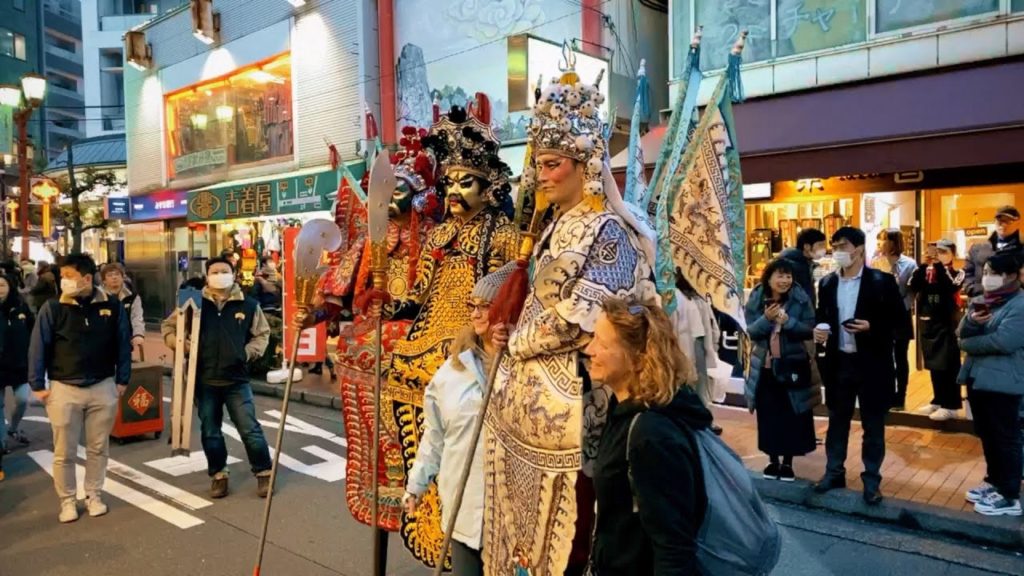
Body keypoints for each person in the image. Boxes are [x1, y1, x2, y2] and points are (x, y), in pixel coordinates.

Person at [484, 64, 657, 575]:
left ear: (586, 164)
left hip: (576, 415)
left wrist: (516, 342)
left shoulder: (611, 231)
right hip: (522, 407)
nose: (540, 174)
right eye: (538, 163)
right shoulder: (550, 229)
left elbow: (578, 322)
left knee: (574, 540)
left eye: (553, 163)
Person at [403, 263, 514, 576]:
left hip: (509, 515)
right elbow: (434, 436)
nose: (476, 314)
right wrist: (416, 484)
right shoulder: (452, 371)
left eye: (485, 306)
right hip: (462, 508)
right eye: (472, 306)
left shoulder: (524, 367)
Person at [585, 297, 708, 575]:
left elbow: (673, 547)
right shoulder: (623, 410)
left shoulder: (650, 434)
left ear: (639, 359)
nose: (589, 349)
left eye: (602, 344)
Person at [28, 253, 132, 523]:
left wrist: (122, 380)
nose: (64, 281)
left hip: (103, 386)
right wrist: (38, 384)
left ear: (87, 278)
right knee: (65, 451)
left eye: (69, 277)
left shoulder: (111, 305)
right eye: (63, 277)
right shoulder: (53, 308)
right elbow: (39, 346)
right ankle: (67, 501)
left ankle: (94, 495)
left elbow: (123, 343)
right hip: (64, 388)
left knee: (99, 448)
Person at [161, 257, 273, 499]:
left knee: (249, 429)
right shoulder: (192, 302)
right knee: (211, 431)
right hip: (203, 379)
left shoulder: (249, 304)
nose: (219, 274)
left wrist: (246, 353)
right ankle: (218, 475)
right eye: (214, 271)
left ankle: (264, 473)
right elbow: (168, 328)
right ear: (207, 275)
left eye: (224, 271)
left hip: (236, 380)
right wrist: (181, 344)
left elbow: (262, 334)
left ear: (233, 274)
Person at [812, 227, 904, 505]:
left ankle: (872, 480)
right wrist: (819, 330)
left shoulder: (882, 281)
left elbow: (900, 324)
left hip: (873, 364)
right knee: (837, 421)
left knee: (873, 425)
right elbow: (821, 316)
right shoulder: (827, 283)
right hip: (840, 362)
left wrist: (872, 327)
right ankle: (833, 471)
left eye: (844, 245)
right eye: (835, 246)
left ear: (860, 249)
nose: (839, 251)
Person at [958, 253, 1024, 517]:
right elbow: (961, 332)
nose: (986, 277)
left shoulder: (1019, 305)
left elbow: (1004, 342)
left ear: (1009, 276)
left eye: (991, 272)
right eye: (985, 271)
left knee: (1006, 436)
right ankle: (994, 481)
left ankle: (1009, 495)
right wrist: (972, 323)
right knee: (988, 434)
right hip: (978, 378)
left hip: (1004, 382)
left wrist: (968, 344)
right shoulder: (983, 301)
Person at [744, 258, 817, 482]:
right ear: (769, 277)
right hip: (765, 368)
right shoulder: (757, 297)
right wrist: (767, 319)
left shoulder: (801, 298)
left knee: (792, 416)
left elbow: (809, 330)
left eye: (788, 276)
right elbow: (750, 331)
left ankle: (788, 463)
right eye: (780, 275)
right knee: (768, 416)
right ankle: (772, 461)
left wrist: (788, 323)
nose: (785, 281)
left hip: (791, 366)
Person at [908, 240, 965, 421]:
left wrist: (940, 267)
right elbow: (912, 285)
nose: (938, 254)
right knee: (933, 364)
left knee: (949, 364)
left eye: (942, 251)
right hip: (928, 323)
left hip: (948, 324)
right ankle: (938, 400)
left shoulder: (958, 273)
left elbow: (951, 286)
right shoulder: (925, 271)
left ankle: (952, 404)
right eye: (936, 251)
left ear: (952, 254)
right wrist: (925, 264)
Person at [672, 271, 722, 434]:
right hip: (683, 349)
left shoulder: (700, 298)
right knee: (685, 386)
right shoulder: (675, 297)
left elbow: (712, 324)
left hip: (701, 347)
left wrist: (714, 344)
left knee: (703, 386)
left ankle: (704, 420)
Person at [873, 228, 916, 410]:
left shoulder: (909, 264)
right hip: (880, 316)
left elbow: (911, 293)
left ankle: (901, 396)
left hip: (901, 315)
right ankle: (886, 393)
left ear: (893, 242)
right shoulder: (876, 262)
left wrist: (899, 306)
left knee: (900, 356)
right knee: (883, 356)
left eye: (883, 240)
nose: (879, 244)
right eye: (879, 240)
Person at [1, 273, 34, 457]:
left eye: (2, 285)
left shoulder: (21, 306)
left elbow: (33, 329)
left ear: (9, 287)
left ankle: (13, 428)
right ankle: (1, 441)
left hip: (20, 363)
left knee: (22, 400)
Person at [964, 205, 1023, 297]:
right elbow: (968, 273)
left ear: (1018, 223)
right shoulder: (978, 248)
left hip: (1013, 303)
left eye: (1008, 221)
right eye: (999, 221)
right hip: (981, 302)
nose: (1003, 225)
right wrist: (974, 290)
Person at [99, 263, 146, 354]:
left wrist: (138, 334)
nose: (114, 277)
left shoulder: (132, 296)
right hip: (102, 341)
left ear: (122, 277)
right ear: (104, 280)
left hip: (125, 339)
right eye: (110, 275)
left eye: (117, 274)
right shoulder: (98, 297)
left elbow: (137, 318)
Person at [779, 228, 827, 307]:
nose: (823, 249)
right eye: (820, 245)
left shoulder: (808, 264)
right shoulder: (789, 265)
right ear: (807, 246)